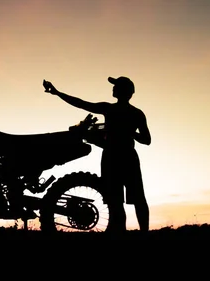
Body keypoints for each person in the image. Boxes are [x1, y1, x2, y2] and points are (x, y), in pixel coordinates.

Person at [43, 76, 151, 233]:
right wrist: (131, 133)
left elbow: (81, 103)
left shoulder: (110, 109)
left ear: (122, 90)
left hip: (113, 158)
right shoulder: (136, 113)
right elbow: (146, 140)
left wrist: (57, 93)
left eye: (115, 86)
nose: (112, 88)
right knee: (133, 200)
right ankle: (142, 234)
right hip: (127, 157)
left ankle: (121, 233)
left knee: (117, 201)